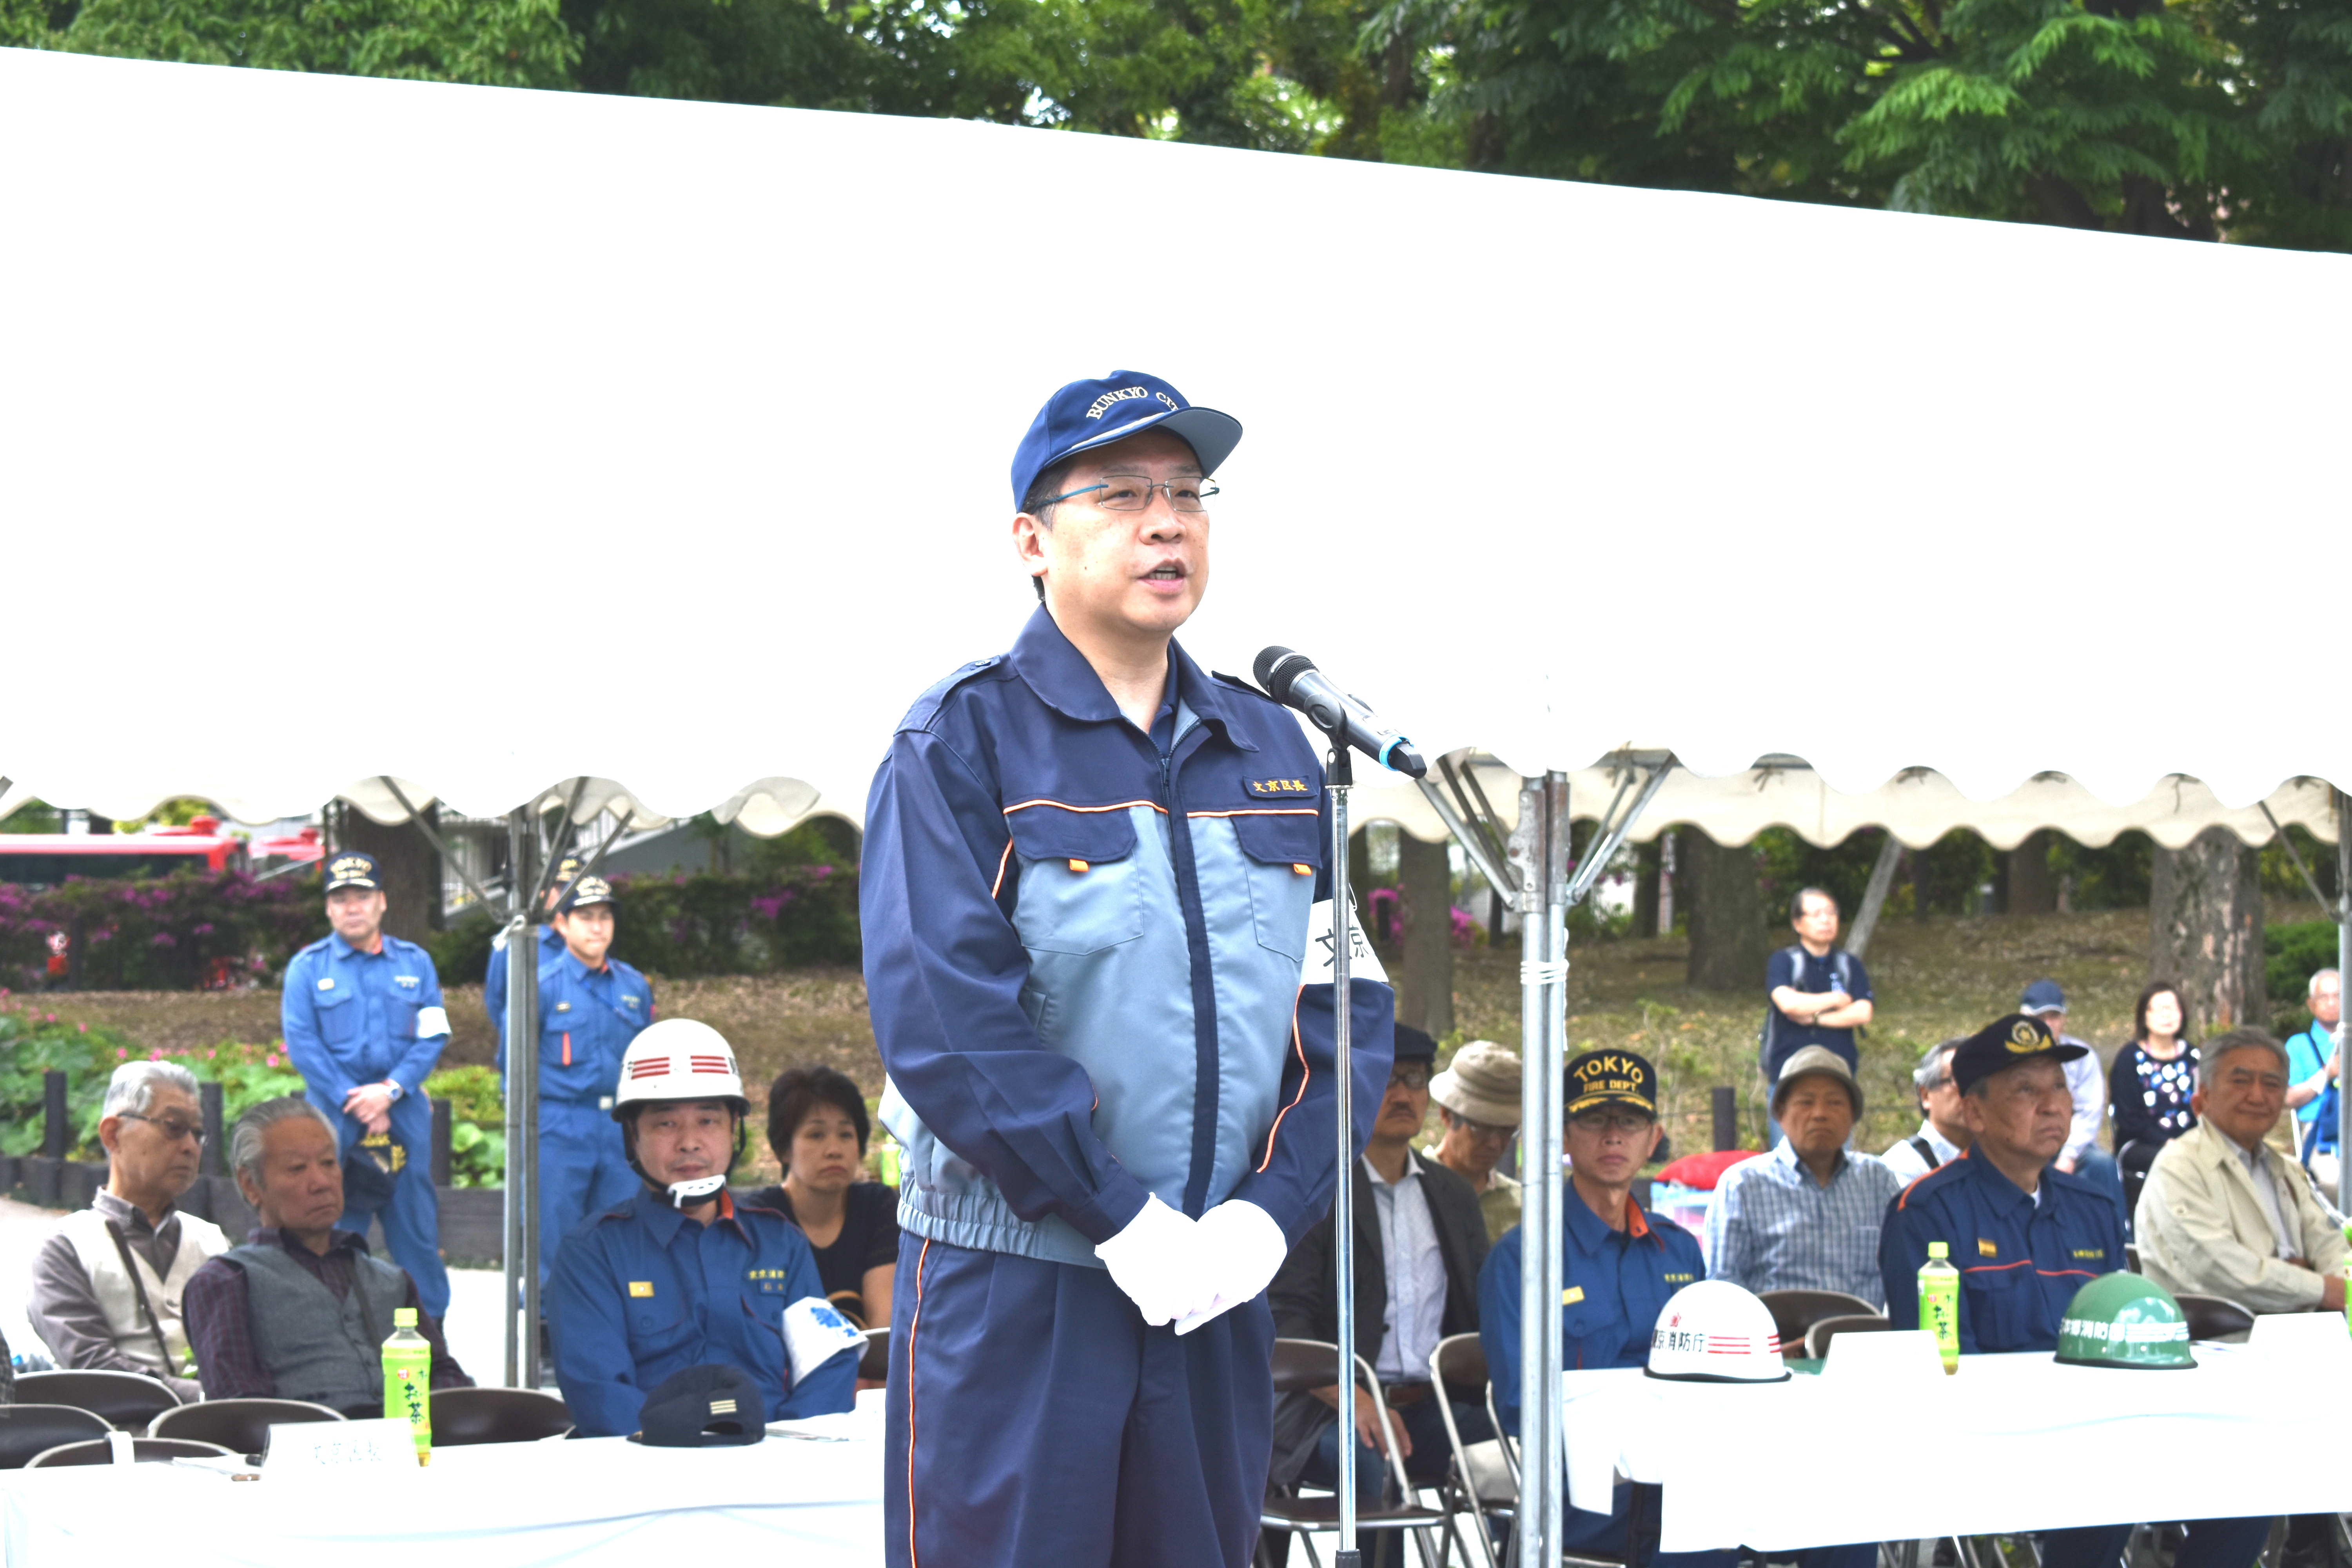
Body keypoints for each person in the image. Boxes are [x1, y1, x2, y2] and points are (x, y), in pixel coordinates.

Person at [860, 370, 1390, 1568]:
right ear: (1030, 542)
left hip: (1212, 1286)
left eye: (1186, 492)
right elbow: (950, 1023)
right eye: (1121, 493)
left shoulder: (1274, 750)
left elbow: (1342, 1011)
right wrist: (1115, 1215)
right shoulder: (961, 739)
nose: (1167, 520)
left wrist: (1267, 1215)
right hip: (1024, 1284)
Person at [1881, 1014, 2269, 1568]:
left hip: (2109, 1432)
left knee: (2254, 1480)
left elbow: (2120, 1338)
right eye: (2025, 1090)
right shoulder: (1928, 1212)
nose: (2053, 1105)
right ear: (1974, 1113)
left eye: (2059, 1087)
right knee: (2107, 1492)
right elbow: (1940, 1371)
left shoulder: (2093, 1207)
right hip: (1998, 1443)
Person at [549, 1020, 858, 1438]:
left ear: (736, 1130)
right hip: (649, 1475)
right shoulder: (592, 1253)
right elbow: (600, 1396)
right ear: (632, 1136)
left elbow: (829, 1365)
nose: (689, 1142)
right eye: (666, 1123)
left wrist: (780, 1447)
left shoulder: (780, 1242)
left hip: (775, 1470)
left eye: (708, 1121)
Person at [1268, 1025, 1490, 1510]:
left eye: (1415, 1079)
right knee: (1369, 1457)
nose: (1403, 1093)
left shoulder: (1453, 1194)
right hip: (1324, 1406)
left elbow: (1480, 1310)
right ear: (1357, 1088)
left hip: (1432, 1404)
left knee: (1524, 1441)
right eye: (1386, 1079)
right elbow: (1285, 1316)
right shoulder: (1320, 1189)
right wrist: (1355, 1399)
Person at [182, 1096, 470, 1413]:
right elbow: (241, 1413)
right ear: (251, 1185)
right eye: (297, 1168)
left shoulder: (391, 1281)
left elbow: (445, 1378)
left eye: (329, 1164)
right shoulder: (227, 1282)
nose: (321, 1182)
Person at [279, 850, 453, 1316]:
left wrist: (390, 1091)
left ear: (382, 902)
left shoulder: (416, 964)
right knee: (329, 1225)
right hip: (333, 1118)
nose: (352, 906)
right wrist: (354, 1099)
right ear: (329, 909)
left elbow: (433, 1035)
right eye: (341, 899)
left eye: (362, 896)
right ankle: (333, 1332)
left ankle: (435, 1343)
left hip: (403, 1113)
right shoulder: (307, 968)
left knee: (416, 1229)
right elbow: (302, 1043)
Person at [28, 1061, 232, 1400]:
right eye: (174, 1127)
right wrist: (204, 1398)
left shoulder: (212, 1242)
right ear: (113, 1134)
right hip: (115, 1444)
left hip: (221, 1439)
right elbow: (92, 1370)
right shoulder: (65, 1247)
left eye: (197, 1133)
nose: (190, 1146)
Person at [497, 873, 653, 1283]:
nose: (597, 926)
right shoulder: (539, 985)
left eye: (605, 916)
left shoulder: (633, 986)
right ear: (562, 924)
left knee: (625, 1231)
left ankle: (621, 1324)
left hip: (621, 1127)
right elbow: (512, 1066)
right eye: (585, 917)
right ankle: (548, 1331)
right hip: (560, 1126)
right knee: (554, 1235)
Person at [2137, 1028, 2349, 1312]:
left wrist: (2339, 1285)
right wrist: (2319, 1287)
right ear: (2206, 1095)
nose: (2258, 1096)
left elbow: (2329, 1244)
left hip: (2301, 1333)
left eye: (2272, 1084)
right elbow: (2218, 1267)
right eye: (2241, 1081)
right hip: (2220, 1343)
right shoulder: (2179, 1166)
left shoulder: (2286, 1169)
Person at [1705, 1047, 1902, 1309]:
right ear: (1781, 1113)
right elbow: (1723, 1285)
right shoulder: (1742, 1185)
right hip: (1774, 1346)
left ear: (1853, 1114)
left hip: (1860, 1343)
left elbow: (1904, 1274)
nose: (1820, 1113)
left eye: (1834, 1102)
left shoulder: (1878, 1181)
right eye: (1806, 1102)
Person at [741, 1065, 900, 1329]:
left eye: (846, 1135)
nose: (834, 1150)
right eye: (816, 1135)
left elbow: (883, 1328)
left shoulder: (877, 1206)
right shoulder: (759, 1218)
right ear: (783, 1149)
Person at [1762, 889, 1873, 1142]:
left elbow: (1863, 1011)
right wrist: (1834, 1000)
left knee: (1839, 1161)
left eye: (1831, 913)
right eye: (1817, 914)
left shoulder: (1848, 964)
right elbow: (1788, 1003)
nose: (1826, 920)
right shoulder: (1784, 962)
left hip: (1840, 1079)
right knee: (1787, 1165)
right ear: (1797, 923)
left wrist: (1815, 1018)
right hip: (1789, 1081)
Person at [2016, 980, 2125, 1204]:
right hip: (2022, 1143)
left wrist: (2069, 1155)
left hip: (2070, 1141)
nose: (2048, 1024)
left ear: (2064, 1019)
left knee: (2102, 1164)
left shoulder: (2082, 1057)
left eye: (2054, 1017)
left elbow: (2089, 1112)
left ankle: (2117, 1234)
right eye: (2040, 1018)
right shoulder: (2009, 1060)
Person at [1427, 1040, 1524, 1242]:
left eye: (1507, 1131)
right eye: (1483, 1128)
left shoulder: (1523, 1208)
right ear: (1447, 1115)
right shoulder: (1414, 1190)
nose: (1495, 1144)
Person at [482, 852, 579, 1030]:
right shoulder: (518, 940)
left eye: (576, 892)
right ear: (543, 893)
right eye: (562, 890)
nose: (569, 899)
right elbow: (496, 1002)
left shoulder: (597, 942)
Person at [2110, 980, 2199, 1167]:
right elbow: (2129, 1119)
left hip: (2191, 1144)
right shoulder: (2129, 1059)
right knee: (2174, 1162)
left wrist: (2189, 1143)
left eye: (2173, 1009)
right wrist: (2166, 1143)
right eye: (2159, 1009)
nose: (2166, 1016)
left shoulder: (2195, 1058)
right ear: (2144, 1017)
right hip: (2141, 1143)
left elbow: (2206, 1109)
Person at [1878, 1039, 1968, 1185]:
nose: (1971, 1092)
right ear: (1925, 1095)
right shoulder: (1901, 1168)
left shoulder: (2003, 1160)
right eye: (1958, 1080)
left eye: (1979, 1082)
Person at [2283, 969, 2341, 1185]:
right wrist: (2327, 1075)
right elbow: (2289, 1098)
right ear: (2311, 1004)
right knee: (2333, 1181)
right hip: (2319, 1135)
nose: (2331, 1003)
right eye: (2324, 997)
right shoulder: (2298, 1045)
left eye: (2338, 996)